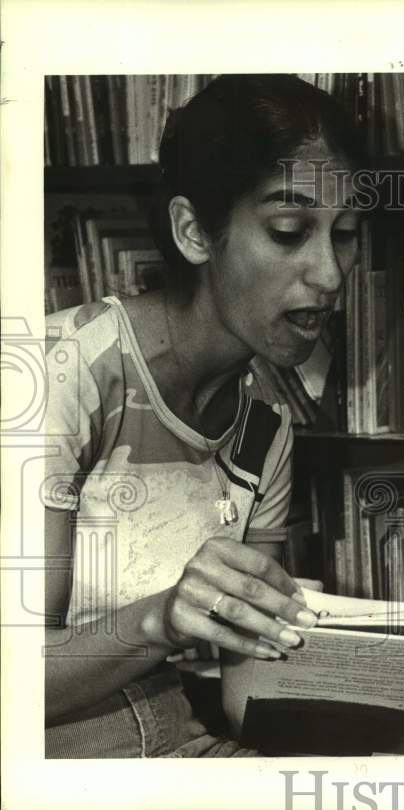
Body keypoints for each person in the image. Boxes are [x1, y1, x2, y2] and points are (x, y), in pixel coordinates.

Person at [42, 74, 365, 757]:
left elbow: (245, 686)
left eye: (346, 234)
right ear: (194, 232)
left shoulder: (266, 425)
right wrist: (161, 617)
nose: (330, 275)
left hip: (184, 751)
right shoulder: (59, 374)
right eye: (288, 230)